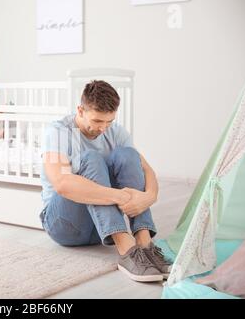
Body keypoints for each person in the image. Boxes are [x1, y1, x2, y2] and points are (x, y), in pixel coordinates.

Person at [40, 80, 172, 282]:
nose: (103, 128)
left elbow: (147, 171)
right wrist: (122, 196)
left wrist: (148, 197)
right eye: (97, 121)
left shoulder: (116, 132)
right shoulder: (58, 132)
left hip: (100, 228)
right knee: (90, 159)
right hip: (65, 225)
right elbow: (62, 184)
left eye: (108, 121)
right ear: (80, 110)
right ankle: (127, 250)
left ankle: (145, 244)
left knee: (128, 155)